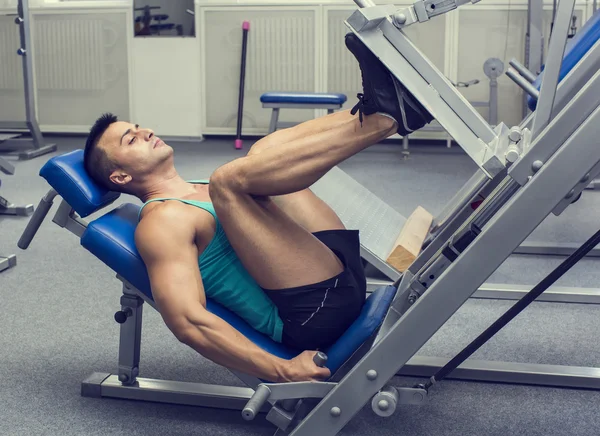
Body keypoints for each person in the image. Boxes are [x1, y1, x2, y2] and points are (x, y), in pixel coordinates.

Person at [83, 34, 431, 383]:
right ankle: (386, 120)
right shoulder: (162, 221)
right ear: (121, 176)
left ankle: (381, 109)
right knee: (229, 180)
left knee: (261, 156)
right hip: (313, 315)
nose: (146, 132)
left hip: (334, 272)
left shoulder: (197, 190)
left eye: (139, 128)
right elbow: (187, 320)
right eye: (131, 139)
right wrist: (281, 368)